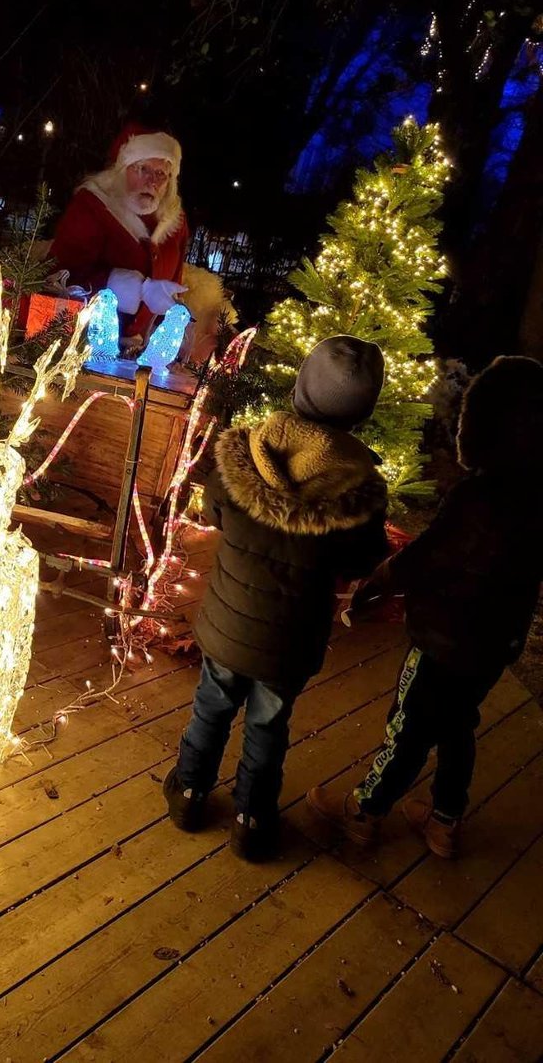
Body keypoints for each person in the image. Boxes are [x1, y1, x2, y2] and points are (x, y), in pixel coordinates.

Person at [307, 356, 543, 859]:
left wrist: (381, 580)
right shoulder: (537, 500)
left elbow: (432, 554)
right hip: (495, 642)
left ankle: (364, 811)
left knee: (410, 723)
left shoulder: (479, 498)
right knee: (460, 723)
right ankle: (444, 818)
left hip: (445, 639)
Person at [164, 335, 389, 861]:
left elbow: (216, 511)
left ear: (300, 387)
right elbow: (360, 563)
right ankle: (251, 818)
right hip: (291, 641)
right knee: (268, 723)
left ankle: (190, 794)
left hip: (228, 625)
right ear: (363, 410)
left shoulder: (242, 455)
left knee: (211, 709)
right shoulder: (360, 492)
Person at [49, 123, 189, 354]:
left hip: (142, 356)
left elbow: (175, 286)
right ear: (122, 169)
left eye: (161, 173)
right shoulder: (92, 207)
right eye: (143, 169)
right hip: (82, 348)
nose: (152, 182)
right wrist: (129, 287)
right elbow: (57, 276)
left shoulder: (176, 222)